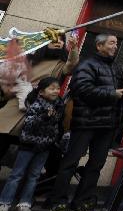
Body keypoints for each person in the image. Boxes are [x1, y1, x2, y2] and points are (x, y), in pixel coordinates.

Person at [50, 33, 123, 211]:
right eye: (111, 43)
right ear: (99, 46)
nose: (115, 46)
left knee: (96, 165)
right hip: (85, 123)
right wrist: (113, 94)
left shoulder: (115, 68)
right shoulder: (86, 64)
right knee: (71, 161)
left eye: (116, 43)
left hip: (107, 125)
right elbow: (83, 90)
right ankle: (58, 200)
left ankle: (82, 201)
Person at [0, 33, 79, 163]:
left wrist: (74, 47)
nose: (58, 43)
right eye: (54, 40)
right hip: (14, 105)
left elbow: (72, 64)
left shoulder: (60, 65)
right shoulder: (29, 59)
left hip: (39, 112)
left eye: (61, 41)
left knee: (27, 158)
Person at [0, 77, 64, 211]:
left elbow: (57, 125)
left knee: (34, 175)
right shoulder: (35, 104)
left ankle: (25, 203)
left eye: (57, 88)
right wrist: (44, 117)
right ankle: (4, 202)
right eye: (52, 88)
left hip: (45, 146)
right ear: (41, 92)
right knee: (17, 174)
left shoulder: (59, 105)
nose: (55, 91)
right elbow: (29, 124)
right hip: (29, 144)